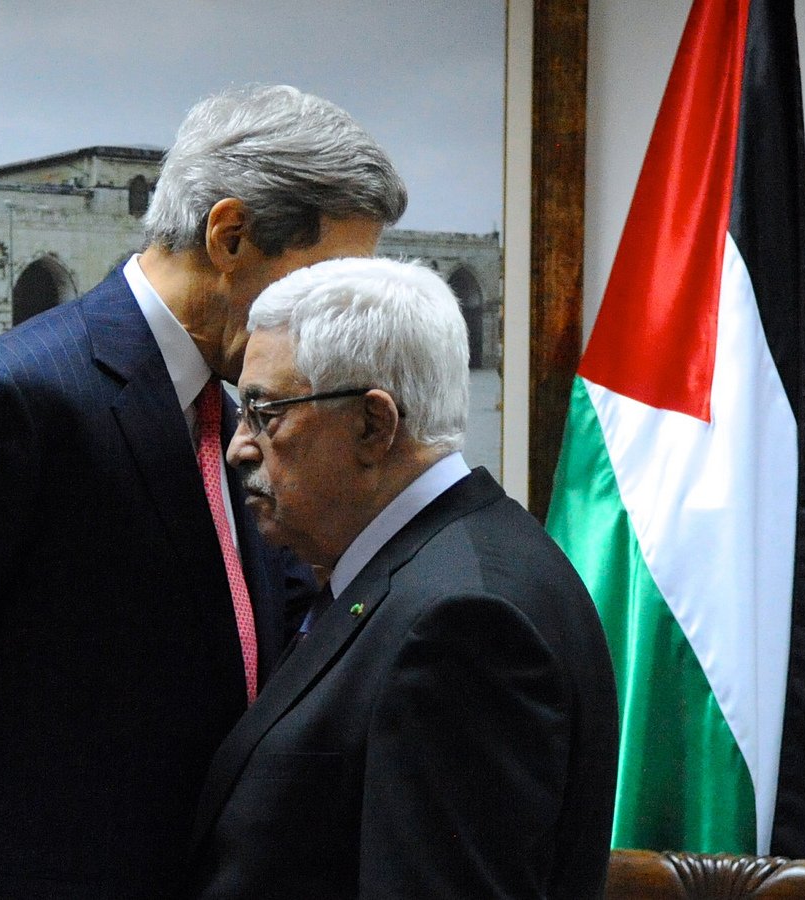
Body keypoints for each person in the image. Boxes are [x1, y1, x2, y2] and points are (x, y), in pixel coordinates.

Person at [0, 85, 408, 899]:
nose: (333, 319)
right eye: (324, 282)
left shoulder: (237, 407)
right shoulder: (13, 403)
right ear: (230, 236)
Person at [187, 257, 620, 899]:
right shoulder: (440, 566)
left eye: (266, 413)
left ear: (373, 424)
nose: (239, 446)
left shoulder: (463, 623)